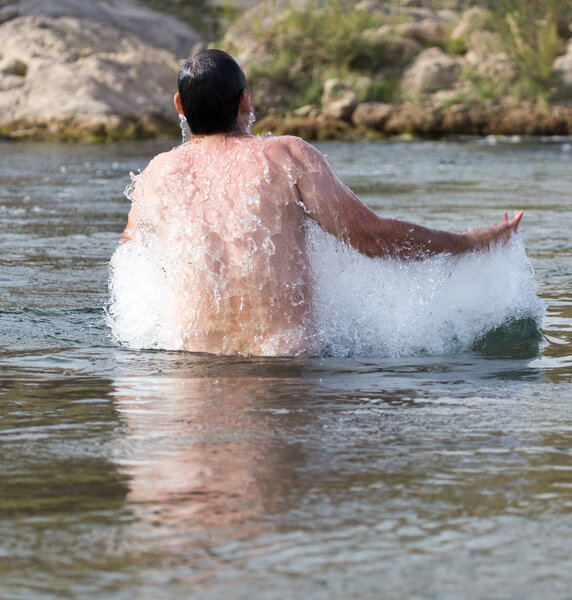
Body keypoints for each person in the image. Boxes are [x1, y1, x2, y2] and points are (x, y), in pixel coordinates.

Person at [120, 49, 523, 357]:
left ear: (179, 106)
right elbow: (372, 236)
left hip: (187, 370)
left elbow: (130, 259)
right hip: (285, 370)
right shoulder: (284, 156)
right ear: (245, 101)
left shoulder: (156, 175)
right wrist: (468, 243)